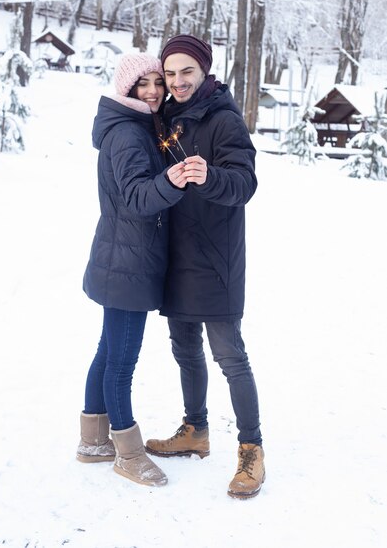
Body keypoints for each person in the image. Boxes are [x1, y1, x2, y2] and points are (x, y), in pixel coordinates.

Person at [144, 34, 265, 499]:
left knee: (230, 355)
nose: (176, 82)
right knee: (184, 348)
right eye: (170, 73)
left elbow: (245, 183)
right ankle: (195, 429)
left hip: (216, 257)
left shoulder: (224, 120)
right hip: (175, 254)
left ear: (204, 72)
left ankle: (251, 449)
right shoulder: (164, 118)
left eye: (186, 72)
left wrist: (212, 176)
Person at [77, 53, 186, 487]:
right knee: (122, 361)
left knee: (108, 352)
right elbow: (139, 198)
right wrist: (173, 180)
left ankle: (92, 442)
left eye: (158, 82)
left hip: (124, 257)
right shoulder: (127, 134)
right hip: (128, 262)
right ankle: (127, 453)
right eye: (144, 84)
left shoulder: (141, 128)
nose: (154, 91)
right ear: (127, 88)